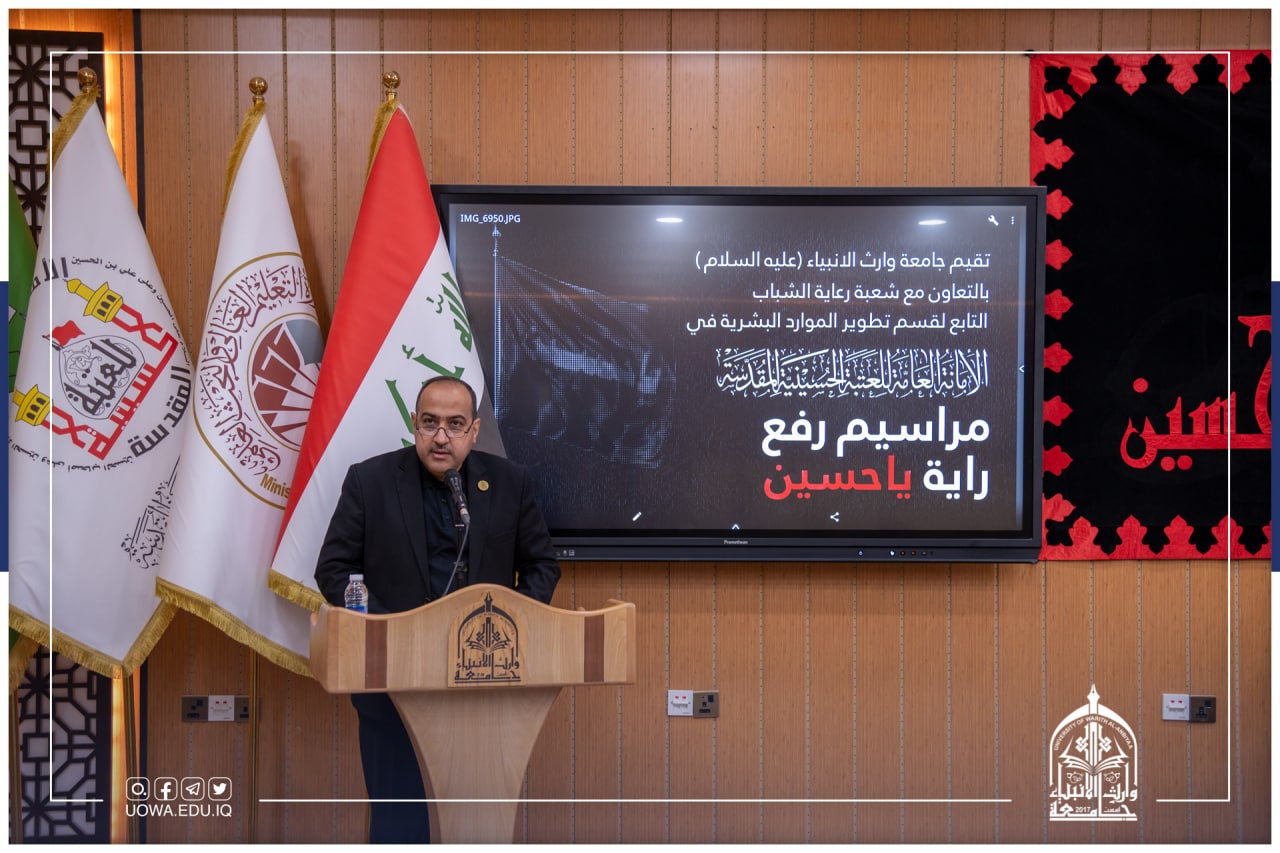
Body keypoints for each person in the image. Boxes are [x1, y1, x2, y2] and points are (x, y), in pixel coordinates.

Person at [314, 375, 561, 843]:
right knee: (399, 822)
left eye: (454, 424)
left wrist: (510, 626)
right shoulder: (370, 481)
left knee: (476, 824)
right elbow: (334, 569)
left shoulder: (509, 483)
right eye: (430, 423)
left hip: (483, 686)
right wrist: (393, 629)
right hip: (391, 686)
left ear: (474, 430)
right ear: (414, 424)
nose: (441, 436)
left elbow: (541, 566)